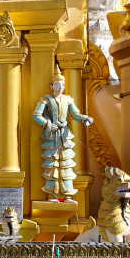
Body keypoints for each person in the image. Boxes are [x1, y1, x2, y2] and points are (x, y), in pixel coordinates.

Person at [32, 69, 93, 200]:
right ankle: (52, 194)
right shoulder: (46, 99)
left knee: (66, 163)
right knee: (52, 164)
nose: (60, 87)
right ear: (51, 86)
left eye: (62, 85)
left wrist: (83, 118)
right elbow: (36, 114)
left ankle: (67, 195)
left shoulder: (68, 99)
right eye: (57, 85)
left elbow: (75, 114)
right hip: (52, 135)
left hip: (64, 135)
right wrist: (47, 124)